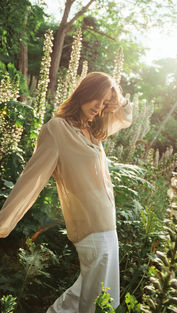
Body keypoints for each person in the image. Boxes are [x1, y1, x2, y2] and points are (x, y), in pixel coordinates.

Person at [0, 72, 133, 312]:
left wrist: (112, 91)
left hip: (108, 229)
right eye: (97, 99)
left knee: (84, 297)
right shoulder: (57, 129)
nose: (99, 107)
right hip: (91, 230)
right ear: (85, 92)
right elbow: (31, 179)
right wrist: (3, 223)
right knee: (101, 304)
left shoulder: (91, 131)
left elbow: (125, 115)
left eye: (104, 103)